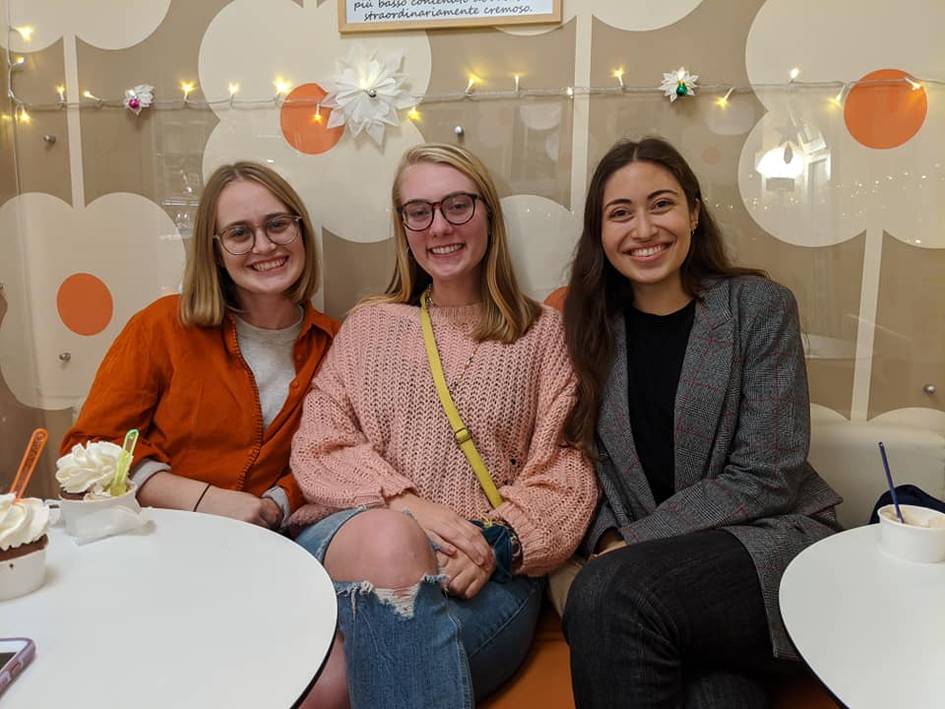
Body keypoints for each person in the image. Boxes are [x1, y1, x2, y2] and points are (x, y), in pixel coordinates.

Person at [288, 143, 597, 708]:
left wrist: (495, 542)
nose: (440, 227)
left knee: (330, 685)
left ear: (488, 214)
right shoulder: (369, 326)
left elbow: (566, 475)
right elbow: (319, 447)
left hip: (483, 574)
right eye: (419, 211)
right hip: (354, 543)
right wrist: (410, 508)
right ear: (403, 226)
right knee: (389, 537)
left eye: (458, 205)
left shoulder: (546, 336)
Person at [557, 137, 842, 708]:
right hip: (662, 583)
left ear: (692, 212)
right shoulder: (588, 329)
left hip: (766, 551)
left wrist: (629, 547)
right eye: (620, 213)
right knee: (718, 698)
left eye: (661, 204)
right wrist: (608, 536)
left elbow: (768, 474)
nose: (643, 229)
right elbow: (580, 464)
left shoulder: (758, 308)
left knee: (608, 594)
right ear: (601, 234)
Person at [60, 161, 337, 528]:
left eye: (277, 224)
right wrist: (205, 500)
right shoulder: (162, 325)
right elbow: (87, 447)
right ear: (216, 252)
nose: (265, 245)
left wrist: (275, 504)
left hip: (278, 543)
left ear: (300, 229)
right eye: (240, 233)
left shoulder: (336, 344)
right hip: (163, 534)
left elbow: (336, 454)